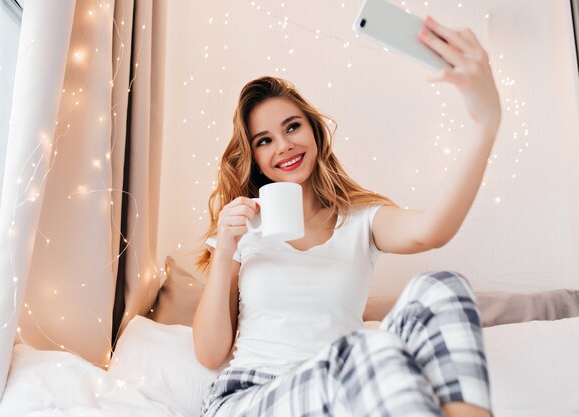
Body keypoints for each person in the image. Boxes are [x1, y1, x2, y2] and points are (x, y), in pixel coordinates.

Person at [193, 16, 500, 417]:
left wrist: (485, 125)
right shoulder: (243, 227)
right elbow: (210, 353)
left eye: (292, 127)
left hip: (352, 390)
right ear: (254, 158)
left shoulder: (361, 219)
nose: (283, 145)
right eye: (264, 140)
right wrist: (225, 250)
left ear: (315, 133)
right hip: (252, 397)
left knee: (442, 287)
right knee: (368, 345)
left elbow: (430, 232)